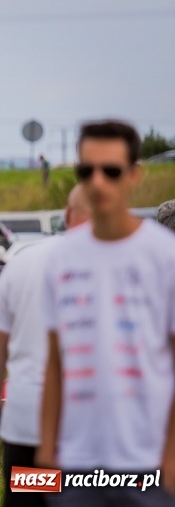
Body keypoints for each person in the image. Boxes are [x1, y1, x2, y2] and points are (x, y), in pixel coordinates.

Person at [37, 120, 175, 503]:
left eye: (111, 171)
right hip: (75, 464)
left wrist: (170, 460)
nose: (98, 182)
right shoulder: (59, 258)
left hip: (147, 464)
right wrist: (46, 453)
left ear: (134, 175)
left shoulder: (164, 256)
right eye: (86, 171)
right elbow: (54, 363)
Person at [0, 184, 91, 507]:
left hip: (29, 420)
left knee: (30, 499)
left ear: (67, 217)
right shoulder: (136, 264)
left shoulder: (28, 261)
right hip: (100, 427)